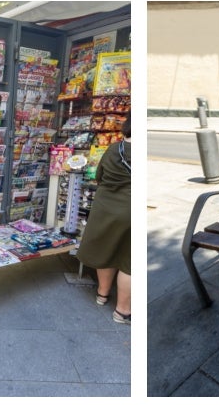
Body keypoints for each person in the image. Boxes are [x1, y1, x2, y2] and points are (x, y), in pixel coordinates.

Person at [76, 118, 131, 324]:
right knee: (129, 262)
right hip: (130, 208)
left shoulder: (114, 149)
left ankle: (102, 294)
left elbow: (99, 176)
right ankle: (123, 311)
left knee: (106, 250)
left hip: (106, 207)